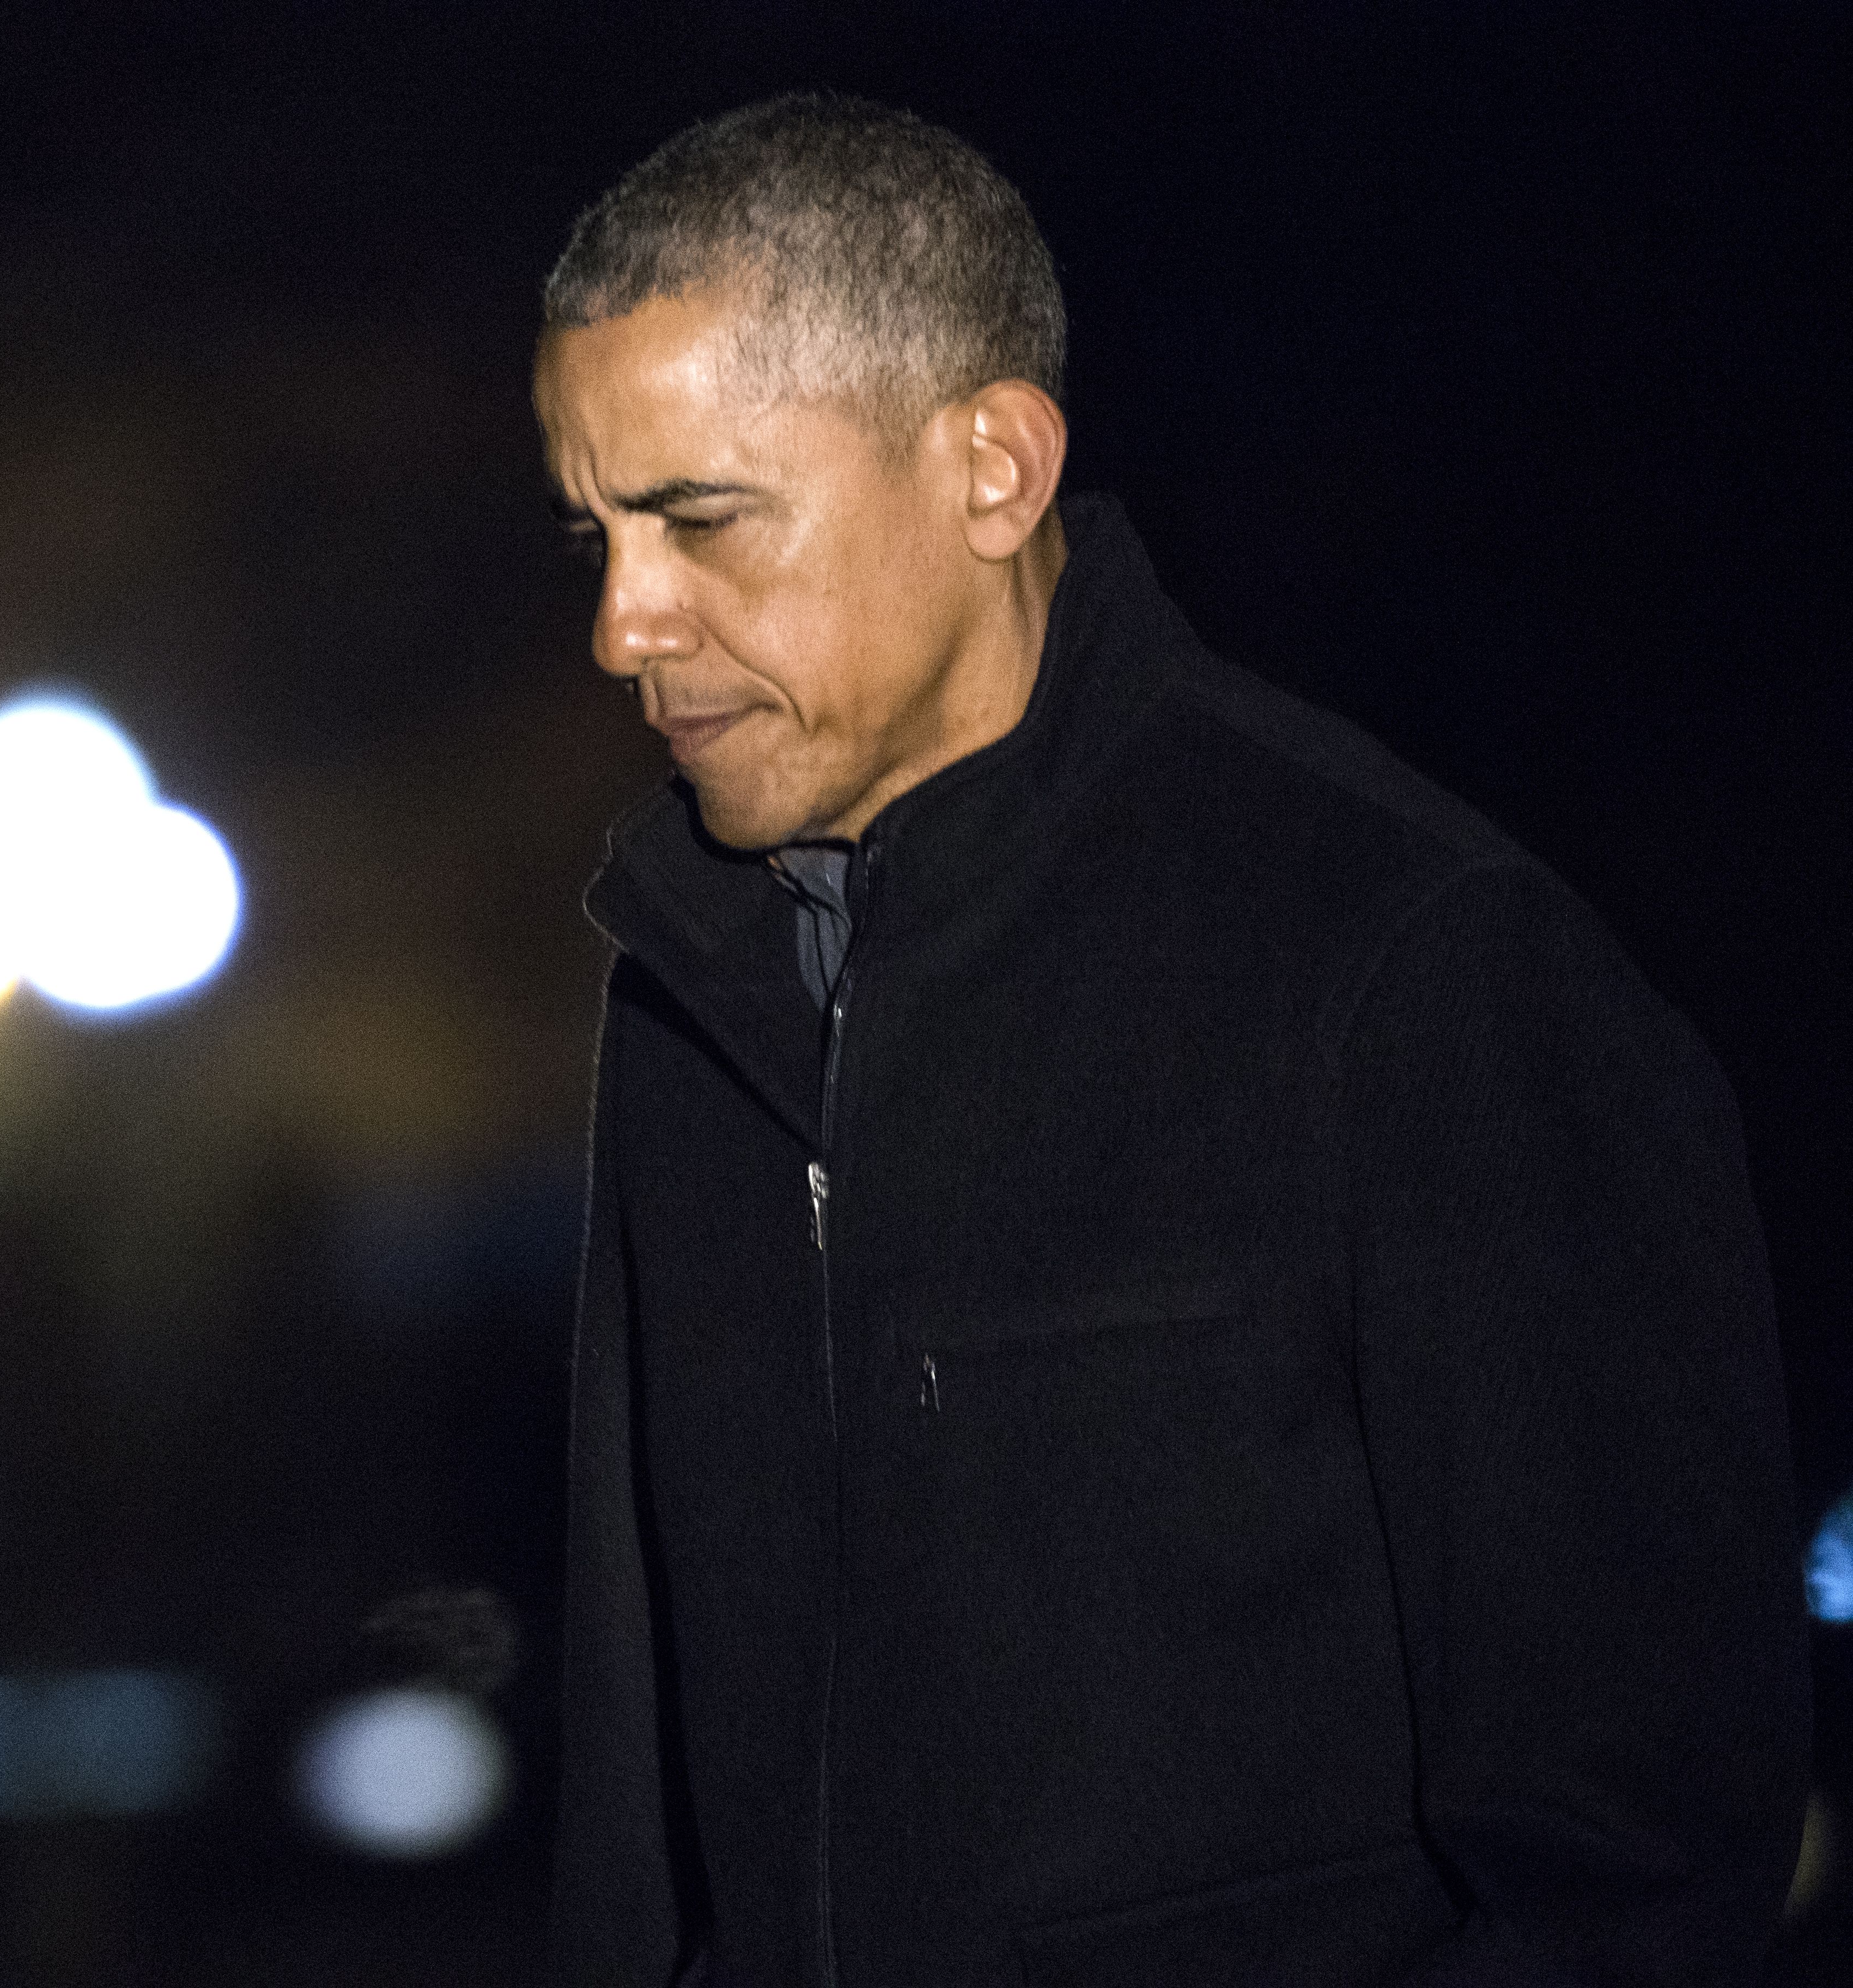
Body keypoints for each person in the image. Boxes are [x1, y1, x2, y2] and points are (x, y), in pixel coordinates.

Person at [538, 94, 1808, 1987]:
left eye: (700, 520)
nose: (627, 622)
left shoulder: (1416, 971)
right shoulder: (689, 991)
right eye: (597, 536)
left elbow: (1637, 1860)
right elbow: (647, 1851)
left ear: (995, 468)